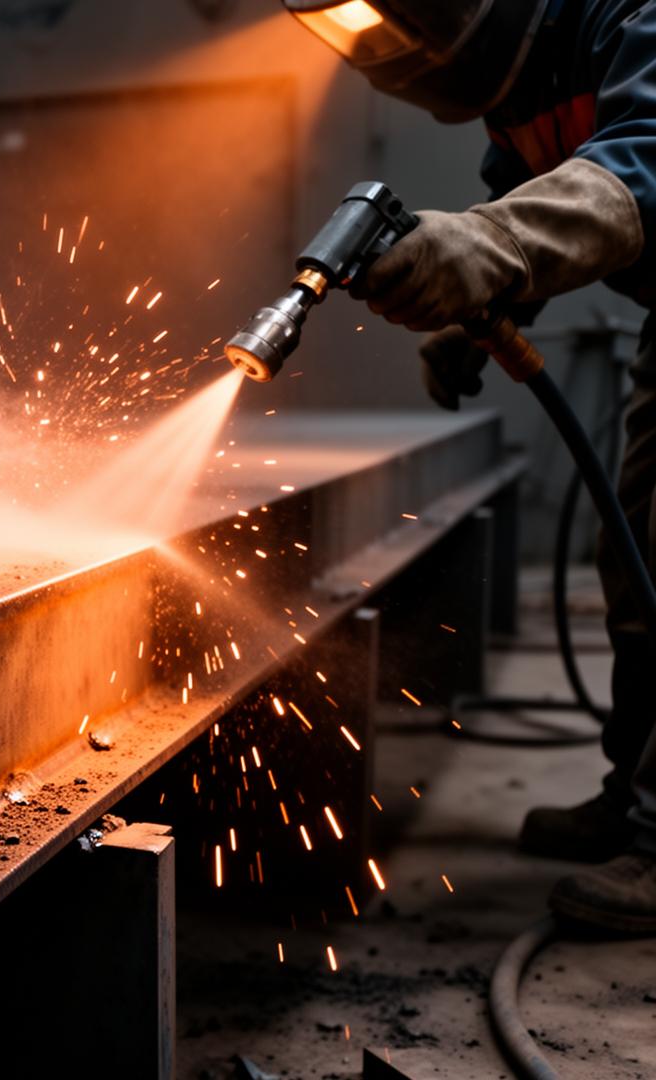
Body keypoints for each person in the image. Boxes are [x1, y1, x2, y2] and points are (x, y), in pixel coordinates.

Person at [286, 0, 656, 932]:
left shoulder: (624, 15)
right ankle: (638, 800)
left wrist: (492, 246)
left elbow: (647, 157)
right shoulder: (521, 96)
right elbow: (521, 195)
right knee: (638, 556)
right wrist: (482, 324)